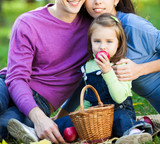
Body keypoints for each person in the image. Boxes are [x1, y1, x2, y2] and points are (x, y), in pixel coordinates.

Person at [6, 14, 153, 144]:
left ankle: (134, 135)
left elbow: (120, 97)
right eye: (97, 41)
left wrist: (107, 71)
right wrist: (85, 117)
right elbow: (88, 94)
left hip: (118, 110)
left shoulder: (122, 64)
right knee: (67, 122)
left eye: (109, 41)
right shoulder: (89, 66)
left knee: (122, 119)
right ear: (90, 42)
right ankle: (35, 133)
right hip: (95, 117)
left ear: (119, 43)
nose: (103, 47)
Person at [0, 0, 92, 142]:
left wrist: (57, 115)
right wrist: (39, 118)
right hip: (9, 85)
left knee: (6, 126)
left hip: (41, 101)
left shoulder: (95, 29)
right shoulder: (28, 23)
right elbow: (16, 77)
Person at [85, 0, 160, 114]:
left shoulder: (132, 25)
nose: (98, 1)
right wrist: (61, 117)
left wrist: (140, 69)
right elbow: (89, 79)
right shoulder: (94, 35)